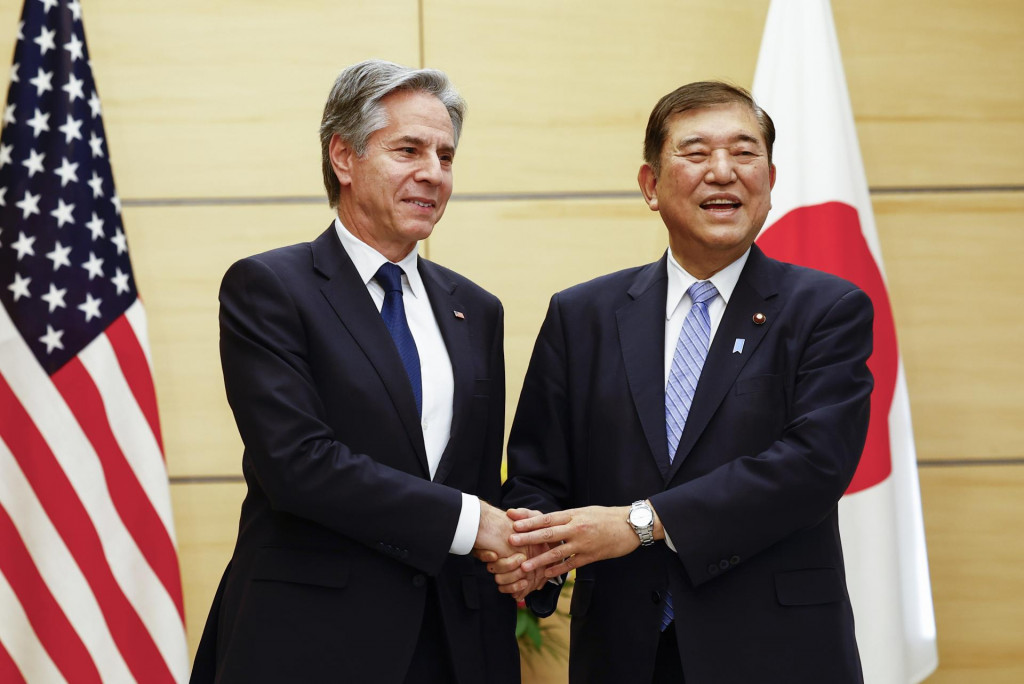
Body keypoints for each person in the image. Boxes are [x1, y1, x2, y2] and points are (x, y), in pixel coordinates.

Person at [490, 81, 871, 683]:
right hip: (623, 654)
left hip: (776, 652)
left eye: (744, 153)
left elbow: (813, 466)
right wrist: (540, 552)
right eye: (695, 153)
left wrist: (642, 523)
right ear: (650, 186)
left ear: (770, 180)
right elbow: (539, 473)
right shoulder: (582, 314)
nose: (723, 172)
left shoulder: (826, 309)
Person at [190, 59, 520, 684]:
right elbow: (299, 464)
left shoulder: (476, 310)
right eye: (409, 150)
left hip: (455, 645)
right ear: (343, 157)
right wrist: (473, 523)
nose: (433, 173)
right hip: (311, 643)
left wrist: (527, 554)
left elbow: (475, 475)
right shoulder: (271, 288)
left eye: (446, 157)